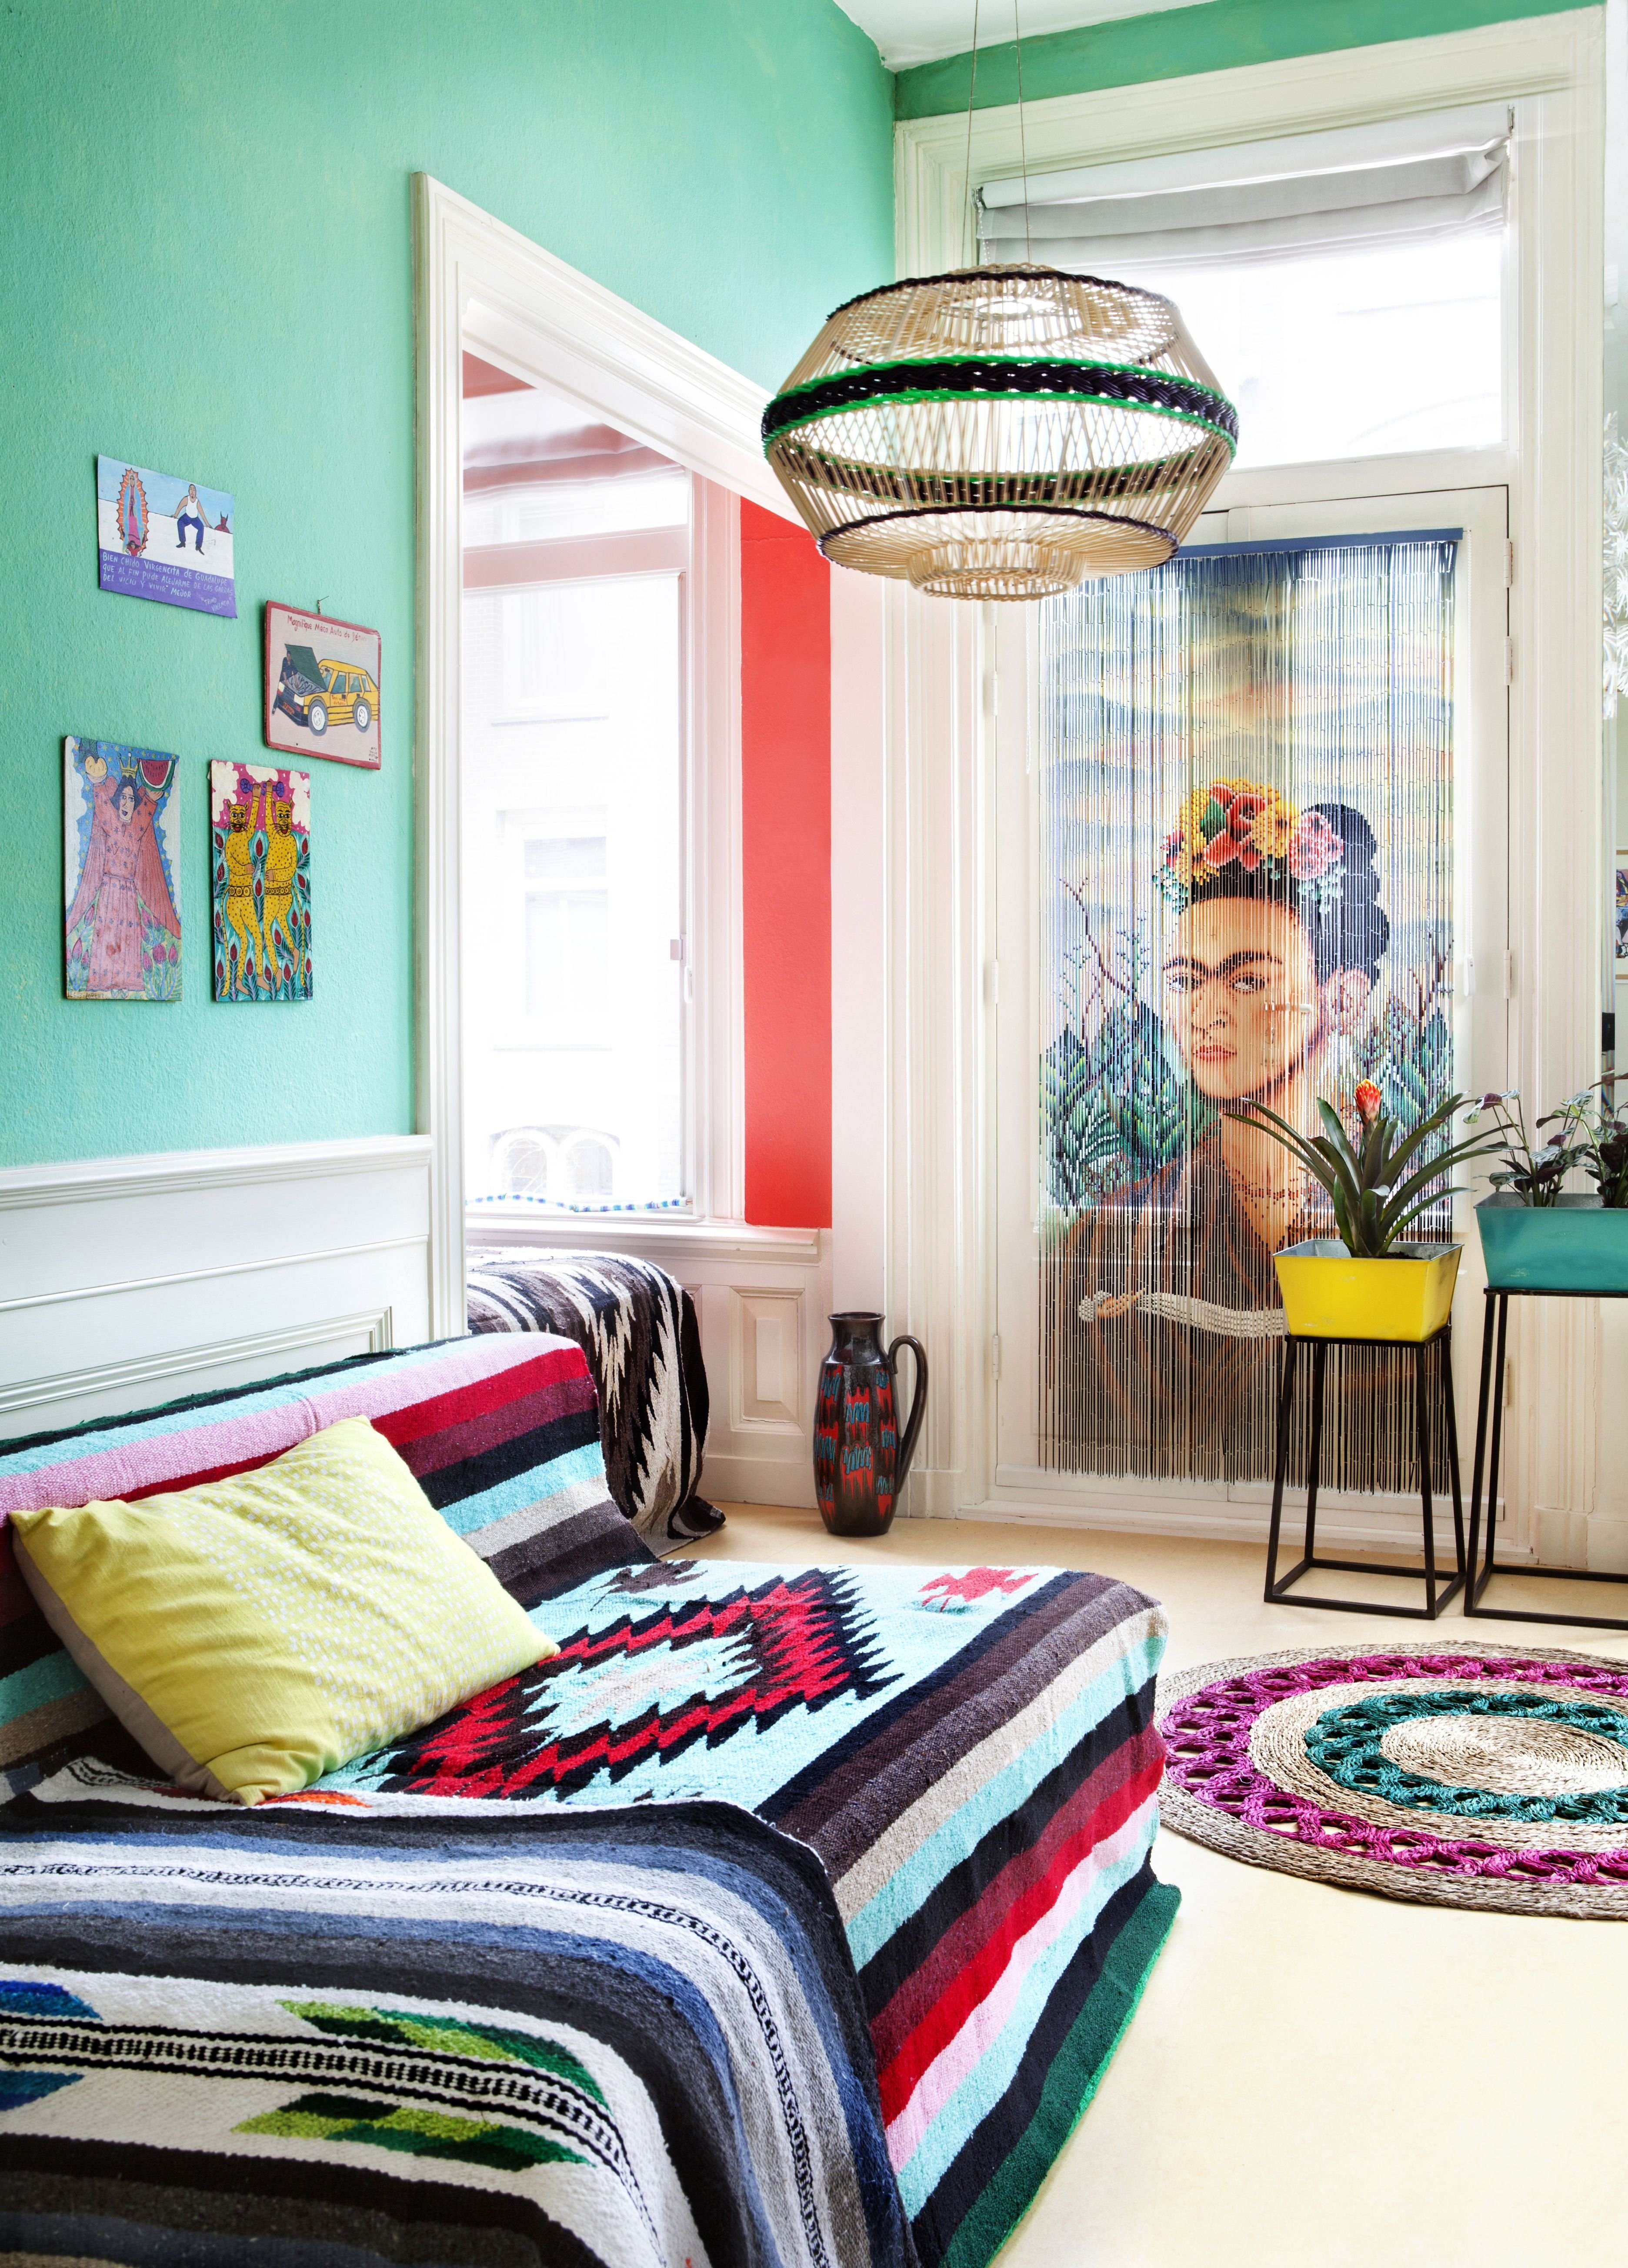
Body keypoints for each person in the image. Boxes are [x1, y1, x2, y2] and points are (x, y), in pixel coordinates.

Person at [1051, 777, 1416, 1486]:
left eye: (1247, 980)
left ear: (1342, 998)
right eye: (1185, 980)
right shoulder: (1105, 1238)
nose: (1205, 1012)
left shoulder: (1390, 1226)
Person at [66, 768, 180, 999]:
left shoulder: (135, 829)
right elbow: (102, 805)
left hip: (129, 892)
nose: (127, 803)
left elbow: (145, 813)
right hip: (109, 890)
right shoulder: (111, 824)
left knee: (129, 937)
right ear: (117, 802)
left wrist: (151, 799)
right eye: (123, 798)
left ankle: (129, 982)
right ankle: (102, 981)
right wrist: (98, 783)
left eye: (131, 799)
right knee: (106, 936)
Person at [175, 483, 206, 553]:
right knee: (180, 522)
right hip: (187, 517)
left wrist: (207, 524)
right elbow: (180, 507)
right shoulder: (186, 499)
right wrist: (176, 515)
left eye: (194, 490)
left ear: (196, 492)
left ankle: (198, 546)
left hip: (195, 519)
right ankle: (183, 542)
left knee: (201, 527)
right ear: (189, 491)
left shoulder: (197, 502)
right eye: (191, 490)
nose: (192, 492)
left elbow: (202, 513)